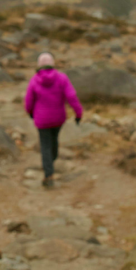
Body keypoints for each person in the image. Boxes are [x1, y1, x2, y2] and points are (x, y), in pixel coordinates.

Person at [25, 52, 83, 187]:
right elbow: (71, 96)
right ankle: (51, 162)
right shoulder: (62, 78)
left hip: (41, 120)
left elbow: (29, 100)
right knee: (54, 141)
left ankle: (48, 174)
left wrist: (30, 113)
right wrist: (78, 113)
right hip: (58, 119)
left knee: (45, 145)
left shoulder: (34, 80)